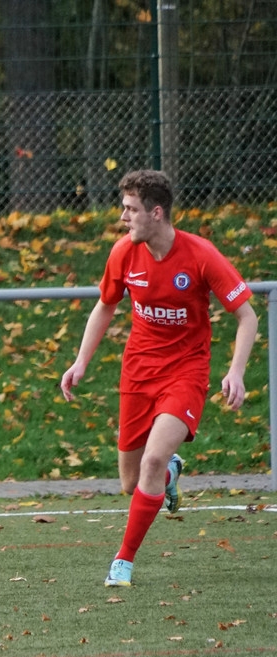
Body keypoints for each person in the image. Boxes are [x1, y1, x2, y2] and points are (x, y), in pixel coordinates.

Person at [60, 169, 257, 587]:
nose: (123, 218)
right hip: (137, 372)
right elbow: (105, 306)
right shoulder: (123, 253)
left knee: (151, 460)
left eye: (130, 209)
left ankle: (123, 562)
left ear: (156, 213)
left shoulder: (201, 255)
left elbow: (247, 316)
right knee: (132, 482)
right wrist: (80, 362)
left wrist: (236, 371)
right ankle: (169, 473)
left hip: (186, 372)